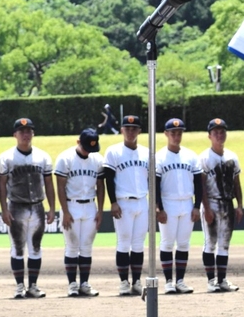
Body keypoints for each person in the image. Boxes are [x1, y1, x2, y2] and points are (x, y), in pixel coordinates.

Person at [0, 118, 55, 298]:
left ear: (33, 133)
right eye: (21, 131)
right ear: (15, 135)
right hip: (16, 206)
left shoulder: (42, 156)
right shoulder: (6, 157)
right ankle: (20, 286)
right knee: (17, 247)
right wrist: (4, 209)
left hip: (37, 206)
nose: (25, 134)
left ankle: (33, 286)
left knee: (36, 247)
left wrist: (52, 207)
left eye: (29, 131)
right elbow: (1, 185)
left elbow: (49, 183)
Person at [54, 128, 105, 297]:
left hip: (90, 206)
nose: (88, 151)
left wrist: (100, 209)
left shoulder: (97, 159)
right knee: (72, 247)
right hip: (72, 205)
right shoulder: (65, 158)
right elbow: (60, 187)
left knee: (86, 248)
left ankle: (84, 283)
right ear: (78, 142)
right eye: (85, 147)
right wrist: (65, 211)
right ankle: (72, 285)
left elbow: (100, 186)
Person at [154, 118, 203, 293]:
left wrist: (197, 206)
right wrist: (158, 207)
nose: (176, 136)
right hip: (168, 202)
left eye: (179, 133)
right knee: (167, 243)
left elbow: (199, 183)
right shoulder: (158, 156)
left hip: (187, 203)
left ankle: (180, 281)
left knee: (183, 244)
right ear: (166, 134)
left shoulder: (190, 155)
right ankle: (168, 282)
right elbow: (155, 185)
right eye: (173, 133)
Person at [104, 115, 149, 296]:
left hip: (142, 201)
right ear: (122, 130)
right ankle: (124, 282)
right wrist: (113, 202)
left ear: (139, 131)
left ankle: (136, 281)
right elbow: (108, 178)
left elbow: (152, 179)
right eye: (127, 128)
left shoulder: (147, 152)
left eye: (134, 128)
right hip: (123, 202)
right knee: (123, 243)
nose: (130, 132)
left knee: (138, 244)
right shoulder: (113, 151)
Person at [200, 118, 243, 292]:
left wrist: (239, 205)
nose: (219, 135)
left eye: (222, 131)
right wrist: (207, 208)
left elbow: (236, 183)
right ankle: (211, 281)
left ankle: (222, 280)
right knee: (210, 243)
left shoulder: (232, 156)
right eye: (216, 132)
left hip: (227, 203)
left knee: (224, 244)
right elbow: (201, 186)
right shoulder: (204, 157)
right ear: (209, 135)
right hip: (211, 202)